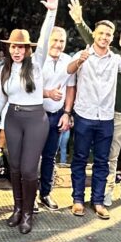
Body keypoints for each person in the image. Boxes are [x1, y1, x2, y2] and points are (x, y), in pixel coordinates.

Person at [66, 17, 121, 220]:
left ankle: (97, 201)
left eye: (108, 34)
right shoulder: (83, 54)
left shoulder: (116, 59)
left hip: (106, 118)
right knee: (79, 159)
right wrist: (79, 61)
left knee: (102, 162)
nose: (104, 37)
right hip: (84, 116)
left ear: (112, 38)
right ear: (94, 35)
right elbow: (69, 70)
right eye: (101, 33)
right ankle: (78, 199)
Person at [0, 0, 59, 235]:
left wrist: (51, 12)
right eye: (13, 47)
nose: (17, 50)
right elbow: (2, 98)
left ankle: (29, 213)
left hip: (35, 120)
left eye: (21, 47)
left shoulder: (37, 64)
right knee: (16, 168)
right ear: (9, 48)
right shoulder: (5, 69)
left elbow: (45, 37)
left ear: (28, 49)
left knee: (30, 169)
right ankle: (18, 209)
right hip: (13, 118)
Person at [38, 26, 74, 211]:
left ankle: (45, 193)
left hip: (57, 115)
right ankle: (28, 196)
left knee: (50, 157)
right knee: (31, 158)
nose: (58, 44)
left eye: (62, 41)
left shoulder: (68, 61)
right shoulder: (36, 59)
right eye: (55, 40)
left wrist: (67, 113)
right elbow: (27, 89)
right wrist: (48, 93)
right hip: (36, 115)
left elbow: (70, 88)